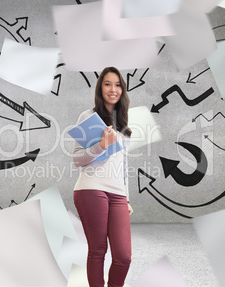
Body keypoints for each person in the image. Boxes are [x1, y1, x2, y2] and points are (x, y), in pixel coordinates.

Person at [72, 66, 133, 287]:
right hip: (91, 188)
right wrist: (100, 145)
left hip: (117, 193)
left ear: (122, 90)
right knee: (98, 250)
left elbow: (123, 164)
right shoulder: (88, 116)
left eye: (117, 85)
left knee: (123, 256)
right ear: (100, 88)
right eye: (107, 84)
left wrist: (126, 198)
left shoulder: (124, 123)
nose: (113, 89)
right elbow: (77, 159)